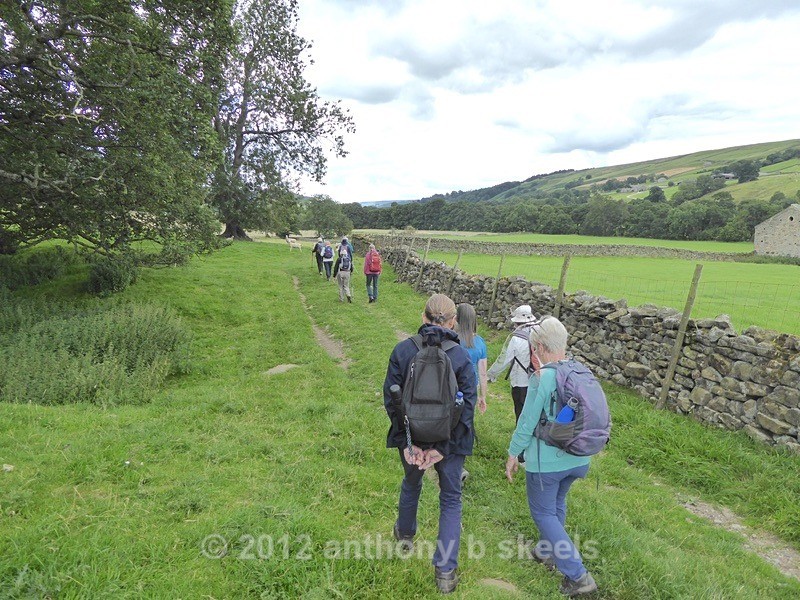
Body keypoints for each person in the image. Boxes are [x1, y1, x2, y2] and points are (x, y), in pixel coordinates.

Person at [383, 294, 476, 594]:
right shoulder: (461, 357)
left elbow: (392, 400)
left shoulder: (403, 350)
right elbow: (468, 408)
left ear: (423, 317)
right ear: (453, 323)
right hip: (449, 441)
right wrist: (442, 449)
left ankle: (405, 535)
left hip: (411, 436)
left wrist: (408, 444)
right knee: (450, 498)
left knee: (412, 484)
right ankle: (445, 572)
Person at [505, 316, 598, 598]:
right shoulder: (581, 371)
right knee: (556, 503)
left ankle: (578, 575)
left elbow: (527, 421)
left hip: (547, 463)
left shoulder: (543, 378)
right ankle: (546, 551)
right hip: (579, 458)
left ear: (540, 347)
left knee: (543, 512)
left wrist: (513, 453)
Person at [487, 304, 538, 424]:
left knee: (520, 413)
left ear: (517, 322)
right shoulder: (540, 332)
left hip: (521, 381)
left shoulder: (516, 338)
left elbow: (503, 359)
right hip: (537, 379)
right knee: (534, 412)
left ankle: (520, 437)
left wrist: (490, 375)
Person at [455, 303, 487, 415]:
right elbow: (483, 373)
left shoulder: (451, 340)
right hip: (471, 385)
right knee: (467, 415)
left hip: (453, 382)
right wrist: (483, 396)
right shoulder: (480, 343)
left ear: (457, 319)